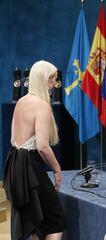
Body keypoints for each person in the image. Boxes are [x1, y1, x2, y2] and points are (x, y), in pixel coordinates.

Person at [3, 60, 65, 240]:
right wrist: (57, 169)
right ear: (44, 80)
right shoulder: (42, 106)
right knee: (55, 222)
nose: (54, 84)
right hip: (31, 167)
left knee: (34, 221)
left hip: (15, 165)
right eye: (52, 79)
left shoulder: (20, 102)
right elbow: (43, 147)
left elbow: (12, 139)